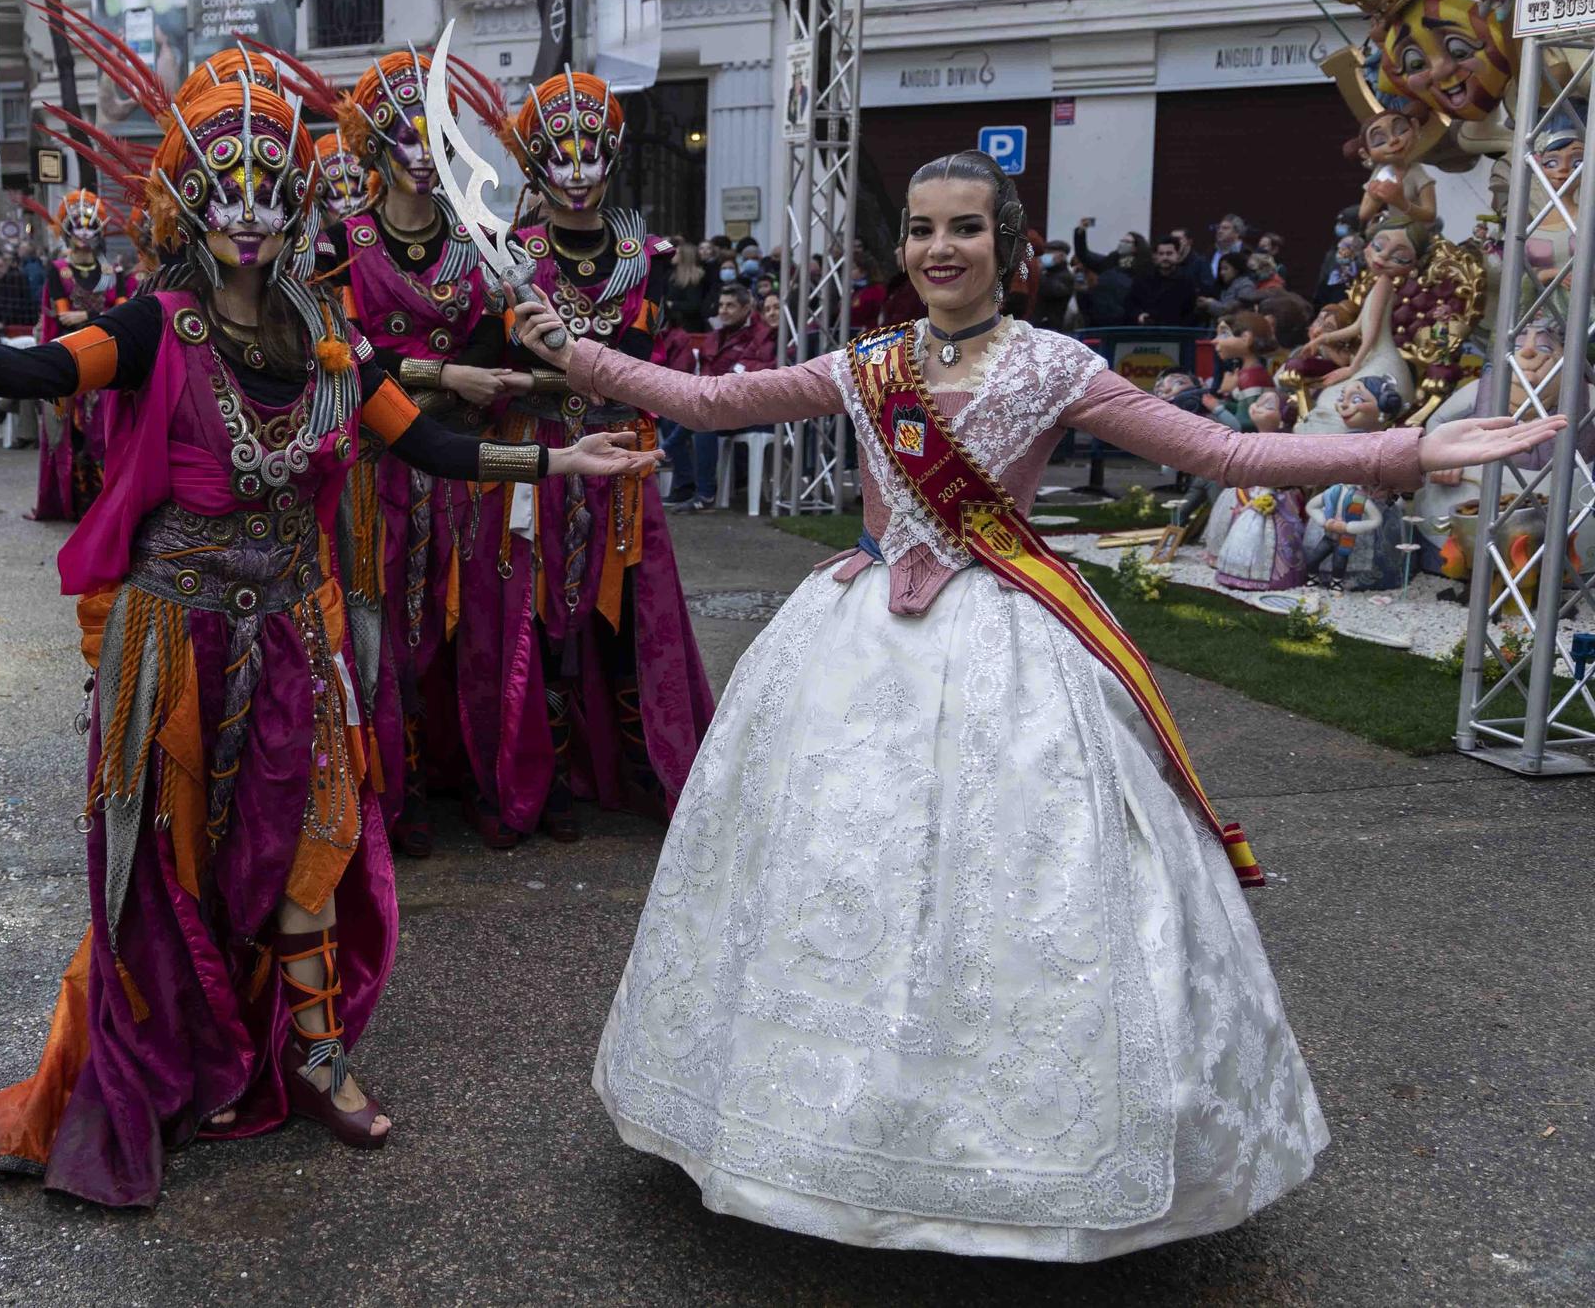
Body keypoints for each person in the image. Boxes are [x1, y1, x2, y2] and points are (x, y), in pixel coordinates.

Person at [507, 146, 1559, 1258]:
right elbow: (706, 403)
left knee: (1024, 892)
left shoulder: (1053, 365)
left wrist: (1406, 449)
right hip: (853, 644)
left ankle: (1011, 1161)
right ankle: (802, 1134)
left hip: (1002, 643)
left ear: (1007, 246)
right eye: (919, 229)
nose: (938, 249)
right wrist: (569, 351)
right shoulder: (867, 364)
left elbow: (1222, 446)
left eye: (963, 227)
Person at [0, 39, 655, 1210]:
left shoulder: (331, 338)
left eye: (268, 186)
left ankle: (313, 1054)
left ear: (296, 199)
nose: (249, 212)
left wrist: (560, 459)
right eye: (225, 187)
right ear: (190, 202)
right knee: (172, 870)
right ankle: (176, 1055)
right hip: (176, 650)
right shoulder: (156, 324)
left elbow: (426, 446)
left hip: (296, 635)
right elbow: (40, 368)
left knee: (315, 838)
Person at [463, 66, 718, 847]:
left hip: (624, 459)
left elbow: (641, 356)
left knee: (627, 621)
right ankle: (549, 777)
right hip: (538, 454)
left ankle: (645, 765)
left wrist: (575, 360)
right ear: (536, 164)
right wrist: (531, 355)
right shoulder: (510, 253)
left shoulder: (642, 254)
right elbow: (488, 366)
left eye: (590, 152)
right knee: (535, 623)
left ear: (611, 157)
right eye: (558, 154)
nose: (576, 172)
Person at [317, 46, 521, 858]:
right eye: (403, 136)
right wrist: (447, 373)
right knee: (380, 626)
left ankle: (471, 777)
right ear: (371, 147)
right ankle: (389, 795)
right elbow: (342, 348)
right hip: (375, 470)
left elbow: (494, 337)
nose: (421, 154)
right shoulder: (340, 241)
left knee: (470, 622)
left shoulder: (479, 239)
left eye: (435, 136)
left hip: (462, 463)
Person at [32, 189, 137, 519]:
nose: (83, 234)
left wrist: (89, 318)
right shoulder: (58, 270)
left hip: (106, 361)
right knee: (74, 436)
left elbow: (123, 316)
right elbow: (63, 318)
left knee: (105, 436)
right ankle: (79, 504)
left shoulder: (112, 273)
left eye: (90, 227)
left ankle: (108, 503)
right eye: (76, 226)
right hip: (72, 360)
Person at [674, 282, 775, 514]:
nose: (723, 310)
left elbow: (754, 372)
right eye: (721, 305)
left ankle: (703, 492)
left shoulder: (761, 335)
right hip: (718, 403)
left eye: (730, 305)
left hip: (750, 408)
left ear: (745, 308)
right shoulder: (716, 336)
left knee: (702, 422)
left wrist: (718, 387)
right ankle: (683, 486)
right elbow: (707, 373)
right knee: (676, 415)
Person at [1125, 236, 1198, 326]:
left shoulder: (1187, 282)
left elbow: (1191, 313)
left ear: (1178, 255)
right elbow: (1130, 305)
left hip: (1175, 334)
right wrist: (1139, 316)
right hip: (1146, 332)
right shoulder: (1142, 279)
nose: (1165, 257)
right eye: (1161, 254)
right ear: (1156, 256)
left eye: (1169, 253)